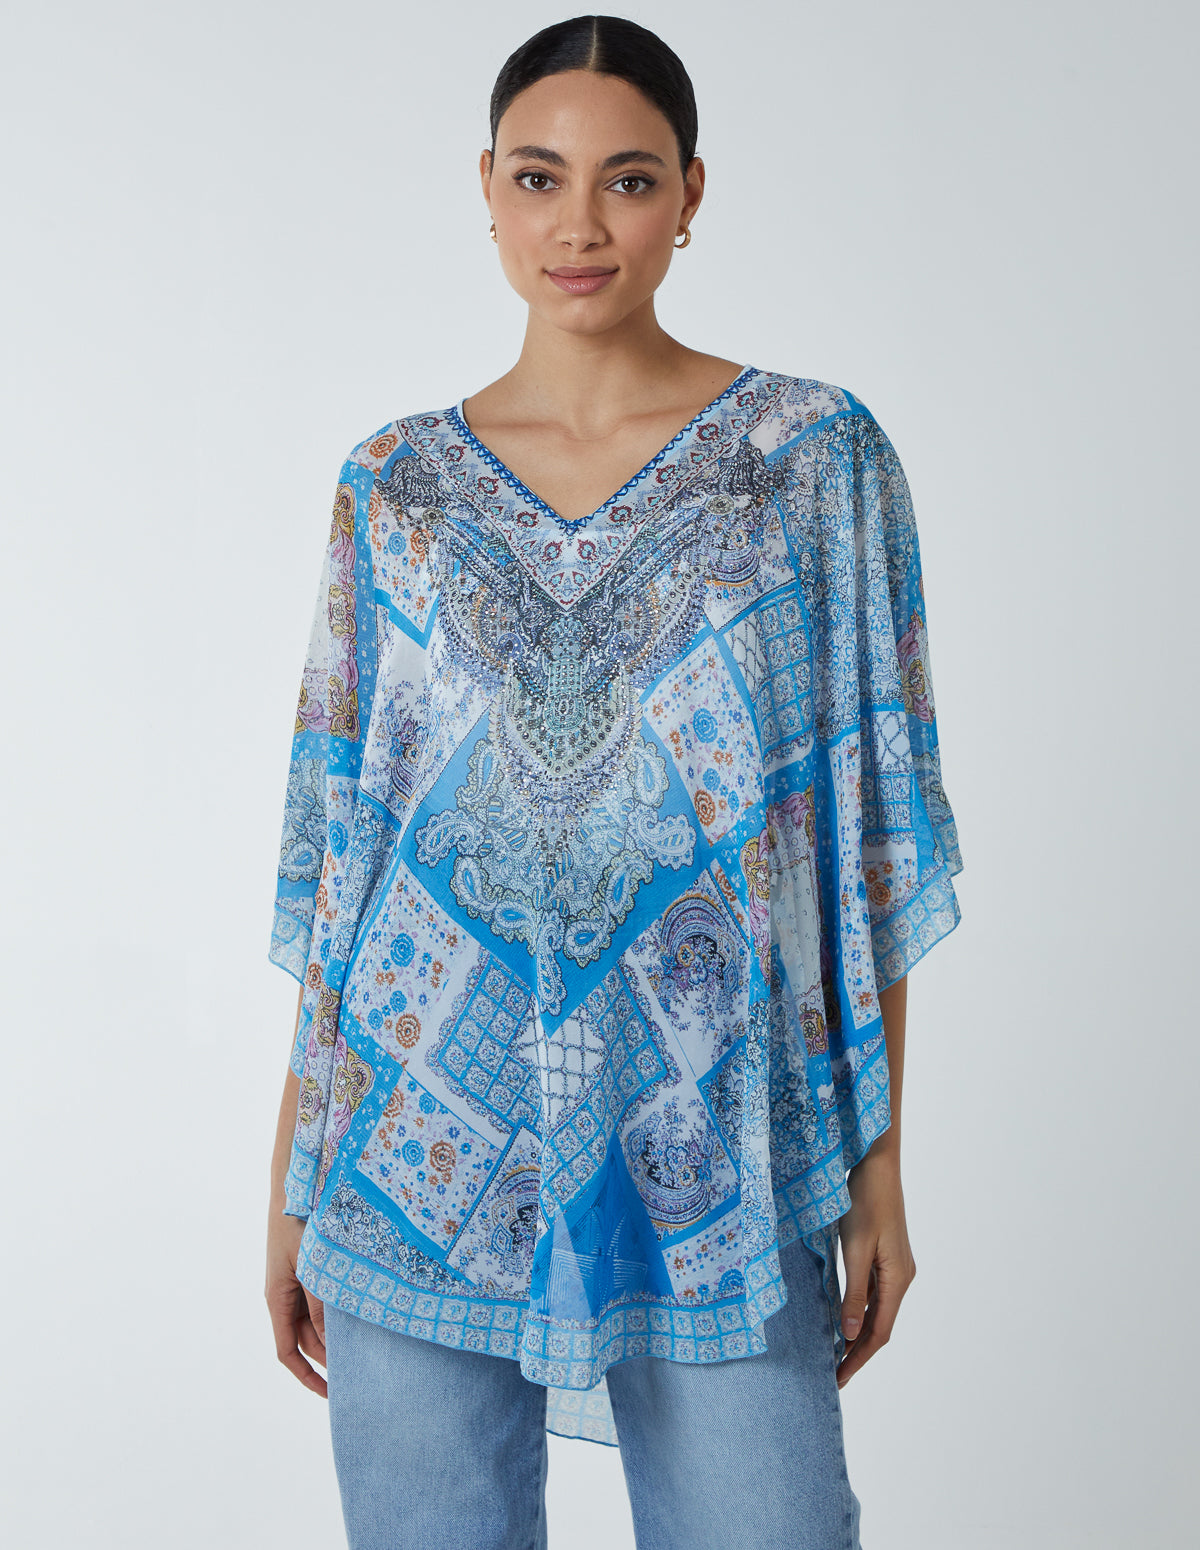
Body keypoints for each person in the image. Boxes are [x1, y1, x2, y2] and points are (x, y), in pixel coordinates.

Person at [264, 14, 963, 1549]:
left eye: (628, 180)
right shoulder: (394, 489)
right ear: (488, 190)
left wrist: (879, 1169)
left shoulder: (808, 462)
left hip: (721, 1133)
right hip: (411, 1145)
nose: (578, 225)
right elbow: (345, 853)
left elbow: (857, 845)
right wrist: (293, 1172)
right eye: (539, 177)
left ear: (691, 193)